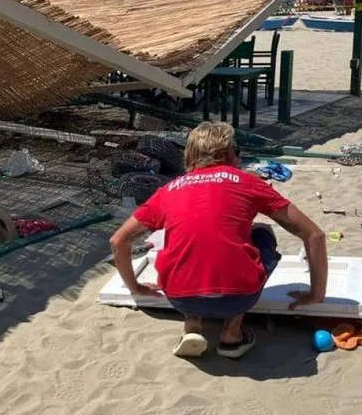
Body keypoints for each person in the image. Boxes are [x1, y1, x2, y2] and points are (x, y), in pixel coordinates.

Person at [109, 122, 328, 359]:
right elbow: (314, 235)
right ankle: (232, 334)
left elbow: (119, 240)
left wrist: (136, 287)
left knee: (178, 239)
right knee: (263, 232)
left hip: (180, 298)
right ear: (227, 153)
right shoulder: (248, 183)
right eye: (237, 150)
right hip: (238, 298)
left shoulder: (168, 190)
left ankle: (192, 326)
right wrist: (315, 294)